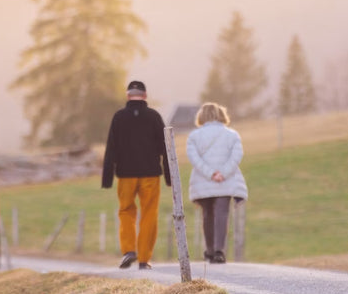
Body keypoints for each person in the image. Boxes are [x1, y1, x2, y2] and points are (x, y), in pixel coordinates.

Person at [101, 80, 171, 270]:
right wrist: (169, 177)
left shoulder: (119, 117)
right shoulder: (154, 116)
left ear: (128, 95)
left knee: (126, 211)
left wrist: (107, 178)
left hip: (126, 175)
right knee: (149, 213)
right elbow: (166, 147)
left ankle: (129, 250)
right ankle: (144, 259)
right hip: (150, 174)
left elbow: (111, 147)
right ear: (145, 96)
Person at [187, 102, 248, 264]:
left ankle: (210, 250)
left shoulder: (194, 136)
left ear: (201, 116)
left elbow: (194, 158)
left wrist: (210, 173)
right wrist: (223, 173)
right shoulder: (232, 135)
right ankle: (219, 250)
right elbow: (236, 156)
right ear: (221, 115)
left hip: (203, 180)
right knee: (222, 214)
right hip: (225, 182)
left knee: (207, 214)